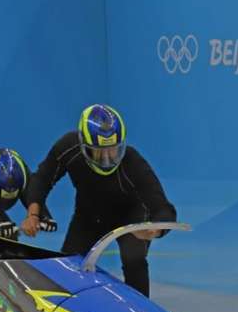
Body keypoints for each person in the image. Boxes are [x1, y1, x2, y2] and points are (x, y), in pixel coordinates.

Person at [21, 104, 176, 297]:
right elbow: (42, 179)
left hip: (130, 217)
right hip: (89, 216)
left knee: (133, 258)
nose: (107, 158)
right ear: (83, 145)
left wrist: (156, 229)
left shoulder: (133, 162)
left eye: (113, 150)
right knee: (69, 264)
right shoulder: (68, 148)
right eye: (99, 151)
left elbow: (163, 208)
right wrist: (33, 213)